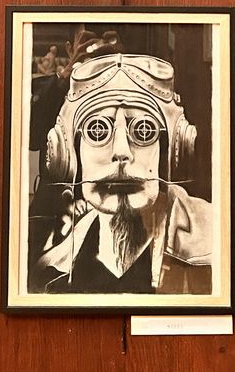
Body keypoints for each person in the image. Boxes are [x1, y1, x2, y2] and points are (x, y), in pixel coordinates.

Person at [29, 53, 212, 295]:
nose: (121, 152)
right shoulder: (52, 269)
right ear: (67, 155)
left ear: (173, 150)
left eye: (144, 130)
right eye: (97, 130)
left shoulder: (215, 241)